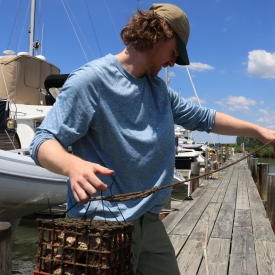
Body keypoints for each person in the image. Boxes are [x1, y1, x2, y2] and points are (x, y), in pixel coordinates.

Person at [30, 3, 275, 275]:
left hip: (151, 223)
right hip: (103, 227)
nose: (173, 62)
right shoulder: (90, 81)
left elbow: (205, 117)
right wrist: (72, 166)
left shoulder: (159, 89)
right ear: (158, 34)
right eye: (175, 52)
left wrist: (259, 131)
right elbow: (43, 141)